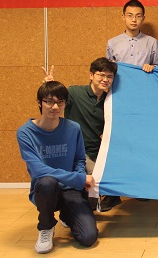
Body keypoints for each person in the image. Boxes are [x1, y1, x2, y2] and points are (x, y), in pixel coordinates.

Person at [17, 81, 98, 253]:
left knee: (89, 237)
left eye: (60, 102)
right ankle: (46, 226)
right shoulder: (25, 133)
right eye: (49, 102)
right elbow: (38, 170)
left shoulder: (73, 128)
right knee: (47, 181)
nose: (55, 107)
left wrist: (80, 180)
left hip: (70, 189)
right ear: (39, 103)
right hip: (46, 190)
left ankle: (67, 214)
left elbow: (79, 160)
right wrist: (77, 178)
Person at [43, 57, 120, 212]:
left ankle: (107, 198)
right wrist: (49, 86)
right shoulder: (74, 92)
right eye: (101, 75)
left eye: (109, 76)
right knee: (94, 181)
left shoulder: (109, 101)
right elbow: (56, 101)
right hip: (76, 150)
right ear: (91, 75)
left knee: (112, 175)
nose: (105, 79)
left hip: (97, 150)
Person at [107, 0, 158, 72]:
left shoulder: (152, 42)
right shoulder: (112, 43)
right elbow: (107, 70)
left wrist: (152, 67)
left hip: (143, 79)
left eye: (138, 16)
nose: (134, 20)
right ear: (123, 17)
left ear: (143, 18)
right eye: (130, 15)